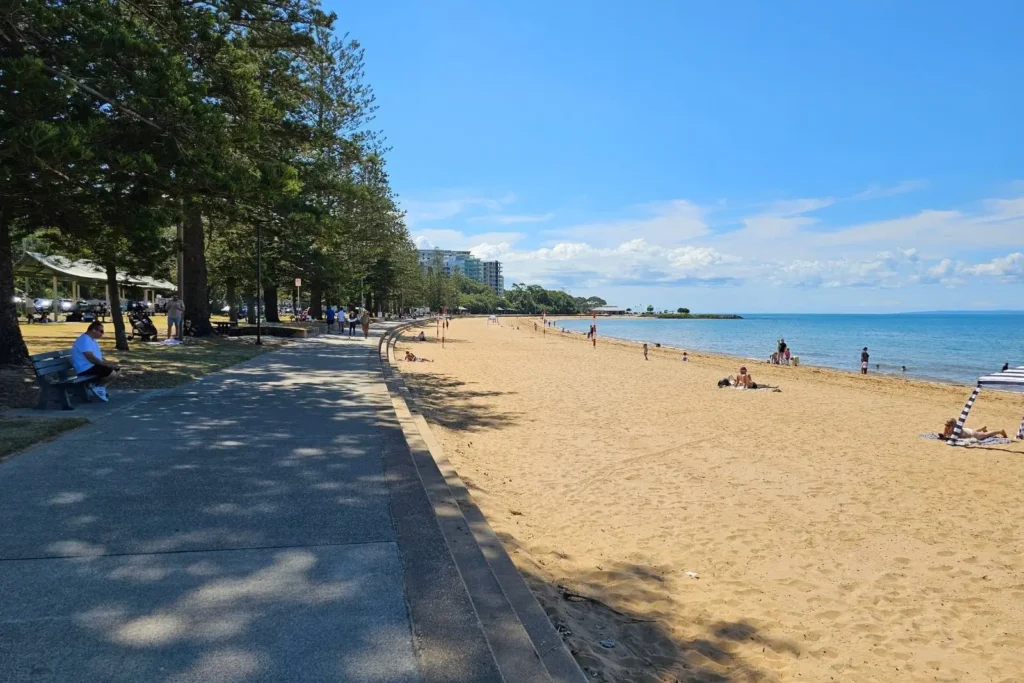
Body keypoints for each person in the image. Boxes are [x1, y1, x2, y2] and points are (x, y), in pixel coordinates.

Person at [71, 321, 119, 402]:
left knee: (118, 370)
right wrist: (105, 365)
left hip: (91, 366)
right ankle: (99, 387)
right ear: (93, 330)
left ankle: (99, 387)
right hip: (85, 368)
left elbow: (98, 357)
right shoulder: (84, 339)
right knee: (112, 373)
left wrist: (109, 363)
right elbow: (90, 357)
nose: (102, 334)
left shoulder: (92, 340)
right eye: (101, 331)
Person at [941, 419, 1007, 441]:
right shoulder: (947, 428)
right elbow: (945, 435)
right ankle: (982, 428)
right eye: (946, 425)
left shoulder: (957, 430)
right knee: (976, 432)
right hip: (967, 430)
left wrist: (947, 437)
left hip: (971, 434)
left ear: (953, 425)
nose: (946, 426)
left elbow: (955, 438)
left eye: (948, 425)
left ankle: (1000, 431)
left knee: (986, 435)